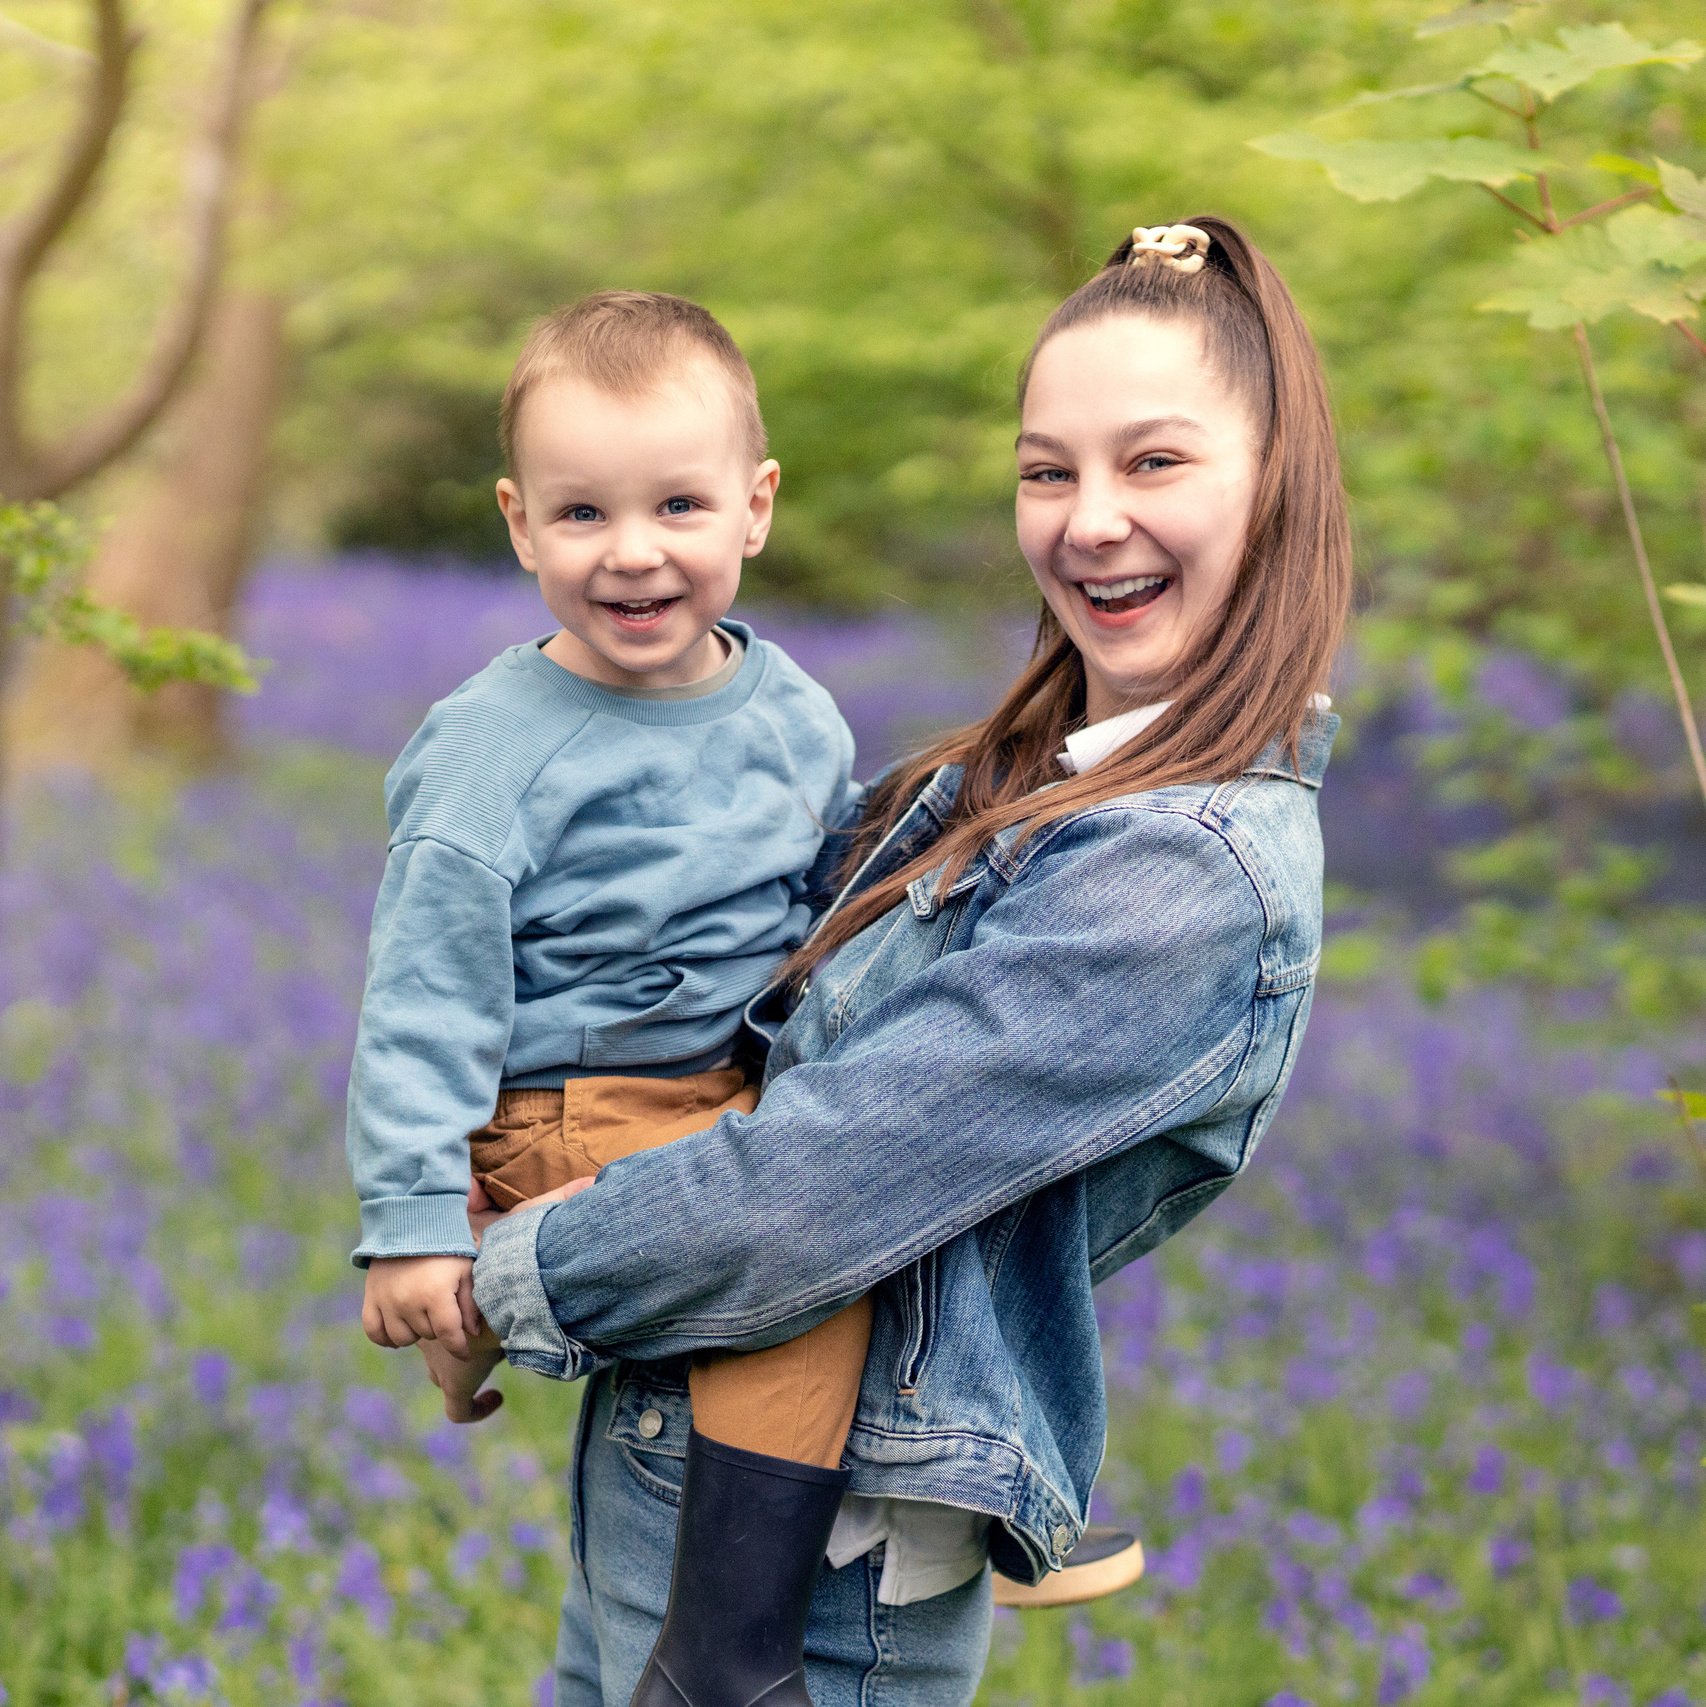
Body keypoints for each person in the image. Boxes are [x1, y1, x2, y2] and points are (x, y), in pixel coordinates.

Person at [451, 215, 1353, 1707]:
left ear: (1276, 486)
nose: (1086, 519)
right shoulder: (1020, 774)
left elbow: (806, 1182)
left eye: (1153, 462)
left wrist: (490, 1280)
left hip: (812, 1583)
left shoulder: (1185, 871)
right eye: (1044, 469)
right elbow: (748, 991)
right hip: (679, 1454)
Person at [344, 292, 882, 1706]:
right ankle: (725, 1652)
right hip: (564, 1105)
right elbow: (424, 993)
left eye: (679, 505)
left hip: (730, 1091)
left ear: (754, 509)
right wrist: (409, 1221)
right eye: (582, 515)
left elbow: (813, 928)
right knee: (795, 1266)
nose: (633, 554)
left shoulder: (795, 715)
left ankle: (981, 1493)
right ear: (519, 525)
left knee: (919, 1203)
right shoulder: (492, 748)